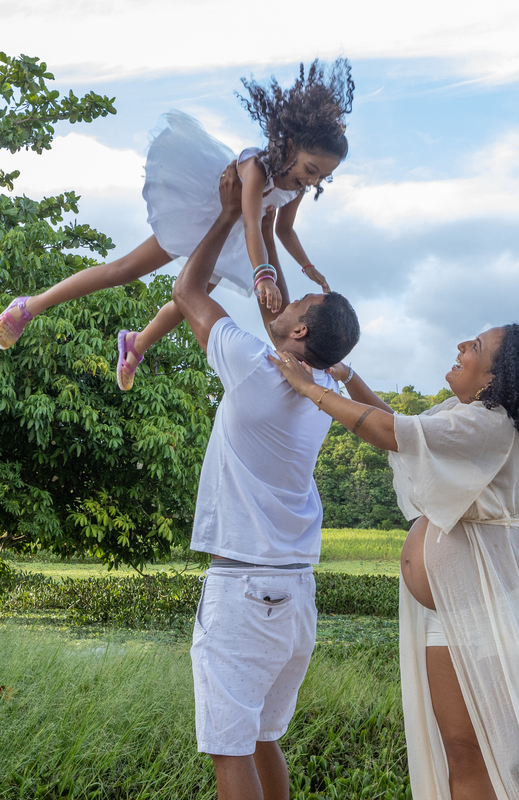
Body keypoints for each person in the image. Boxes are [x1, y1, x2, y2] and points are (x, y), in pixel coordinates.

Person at [269, 326, 519, 800]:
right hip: (455, 613)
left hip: (503, 609)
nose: (460, 348)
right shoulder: (463, 415)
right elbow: (399, 428)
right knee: (462, 749)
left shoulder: (493, 423)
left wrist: (310, 388)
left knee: (508, 757)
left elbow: (388, 430)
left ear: (495, 376)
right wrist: (347, 377)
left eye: (473, 347)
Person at [0, 57, 355, 392]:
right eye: (311, 169)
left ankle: (137, 344)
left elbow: (281, 230)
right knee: (124, 270)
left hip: (233, 239)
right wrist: (263, 274)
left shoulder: (299, 187)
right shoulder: (257, 166)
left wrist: (307, 266)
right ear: (290, 146)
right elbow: (249, 220)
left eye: (323, 177)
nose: (313, 181)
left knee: (189, 302)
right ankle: (30, 306)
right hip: (205, 215)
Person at [171, 162, 360, 800]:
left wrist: (229, 216)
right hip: (296, 591)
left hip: (244, 586)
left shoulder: (254, 367)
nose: (284, 304)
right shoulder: (328, 389)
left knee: (229, 748)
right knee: (262, 739)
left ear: (302, 329)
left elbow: (186, 291)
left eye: (299, 303)